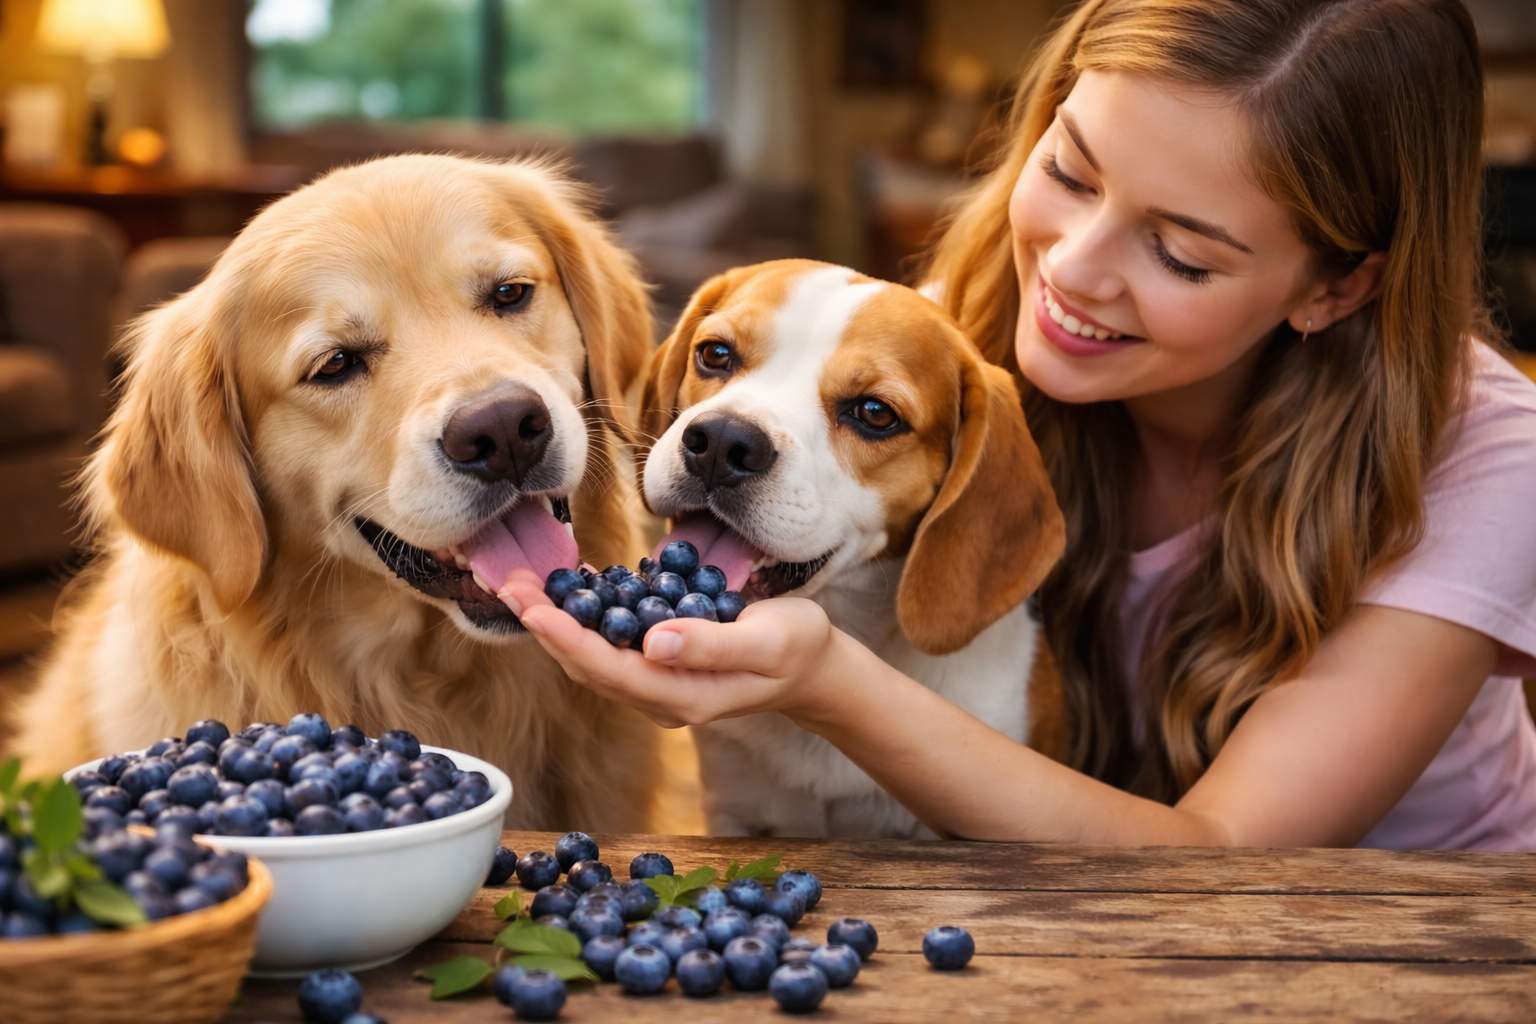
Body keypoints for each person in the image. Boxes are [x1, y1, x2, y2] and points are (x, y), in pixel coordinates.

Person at [499, 0, 1536, 850]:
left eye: (1182, 253)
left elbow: (1223, 854)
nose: (1072, 271)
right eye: (1072, 170)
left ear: (1339, 288)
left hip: (1420, 935)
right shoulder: (966, 332)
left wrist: (825, 680)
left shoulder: (1493, 456)